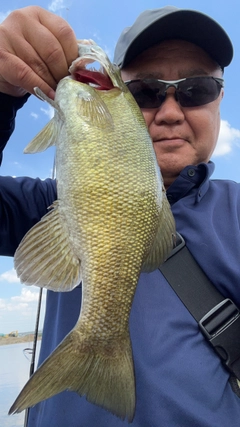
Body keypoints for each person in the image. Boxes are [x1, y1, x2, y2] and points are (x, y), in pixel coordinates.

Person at [1, 5, 240, 427]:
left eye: (196, 89)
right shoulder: (51, 203)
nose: (169, 112)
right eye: (146, 92)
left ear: (221, 97)